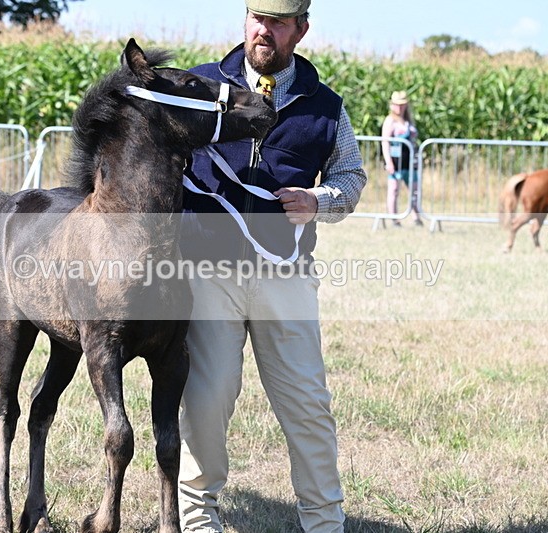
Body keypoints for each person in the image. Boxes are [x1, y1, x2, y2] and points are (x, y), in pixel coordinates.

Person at [177, 1, 367, 532]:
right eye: (257, 19)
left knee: (307, 403)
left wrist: (319, 200)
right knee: (207, 398)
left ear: (300, 30)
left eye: (278, 23)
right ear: (245, 21)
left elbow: (351, 177)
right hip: (207, 272)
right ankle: (197, 518)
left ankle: (325, 522)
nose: (264, 31)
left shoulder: (325, 107)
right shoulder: (197, 88)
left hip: (286, 276)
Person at [381, 90, 422, 226]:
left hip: (409, 162)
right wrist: (388, 162)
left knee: (414, 190)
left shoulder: (408, 121)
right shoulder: (390, 121)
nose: (399, 107)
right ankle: (394, 219)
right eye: (397, 104)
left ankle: (417, 217)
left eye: (402, 104)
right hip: (396, 162)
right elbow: (385, 142)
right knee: (394, 190)